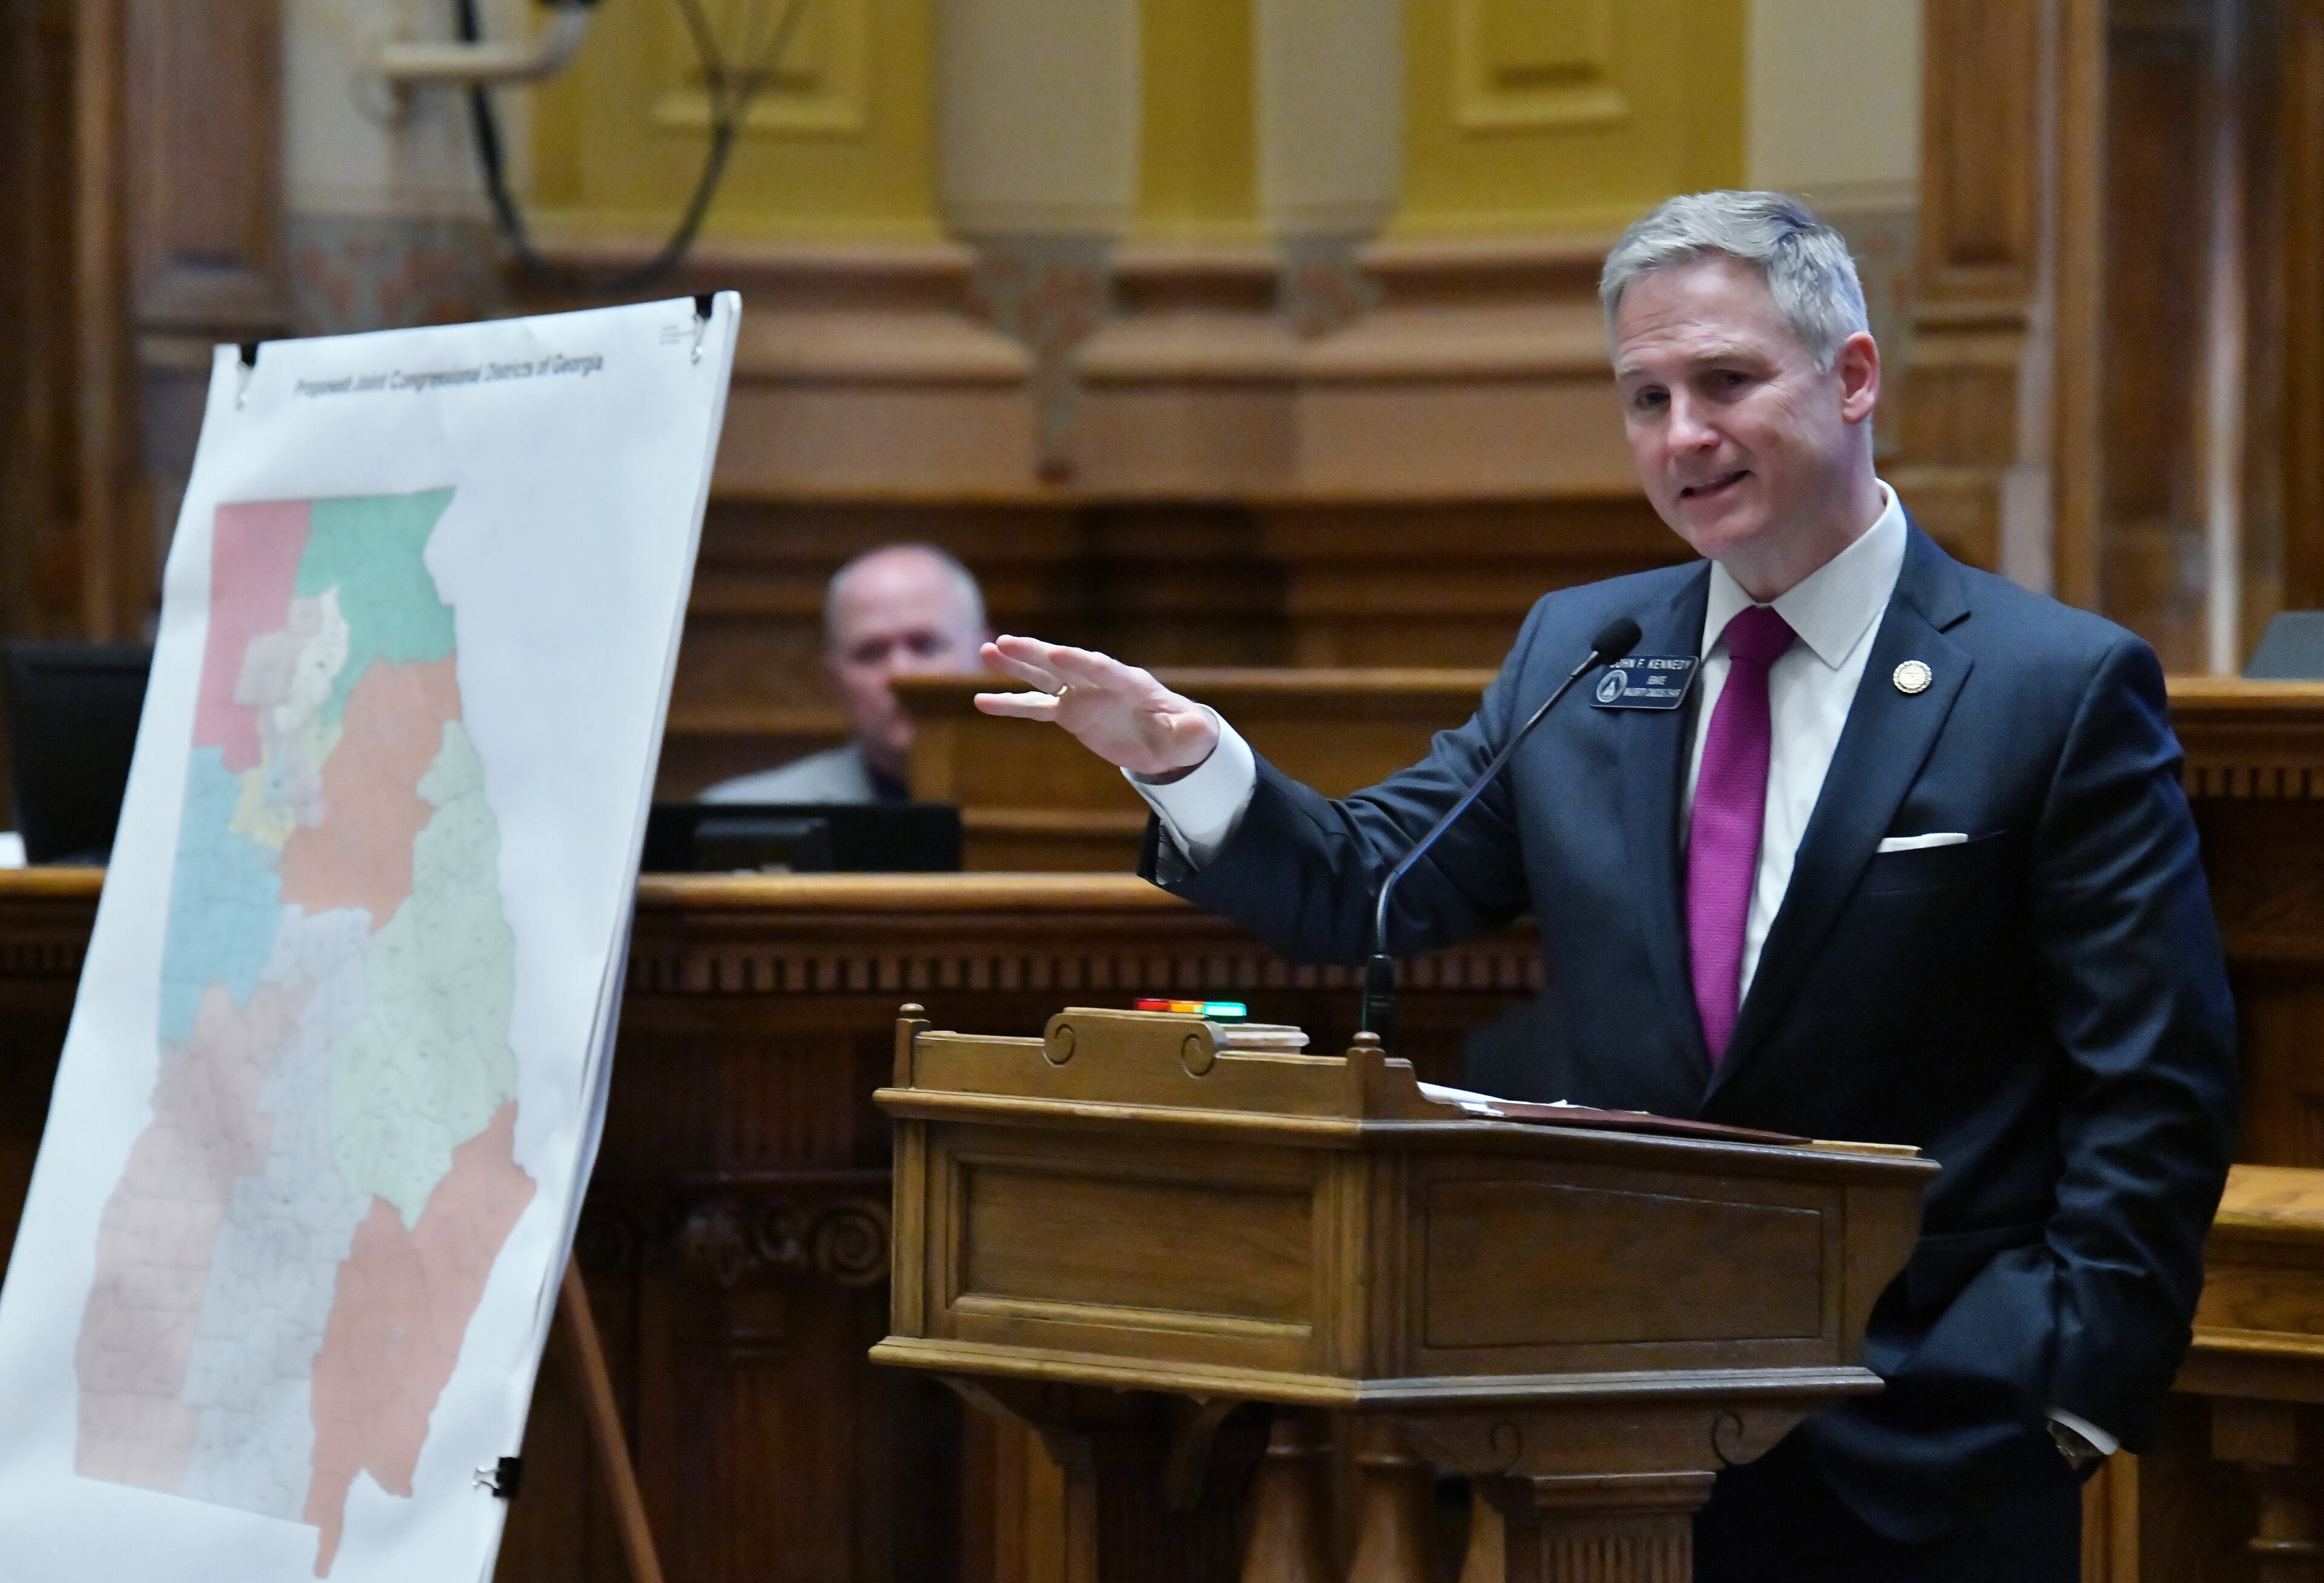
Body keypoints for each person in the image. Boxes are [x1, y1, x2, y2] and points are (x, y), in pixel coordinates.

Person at [973, 191, 2237, 1581]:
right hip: (1614, 1441)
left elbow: (2154, 1077)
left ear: (1854, 376)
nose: (1681, 435)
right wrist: (1186, 759)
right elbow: (1372, 885)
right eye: (1643, 396)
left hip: (1933, 1434)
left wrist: (2063, 1392)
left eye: (1724, 381)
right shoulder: (1583, 650)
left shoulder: (2048, 685)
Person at [703, 544, 988, 804]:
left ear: (986, 659)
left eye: (925, 646)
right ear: (835, 679)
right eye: (870, 653)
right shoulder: (746, 816)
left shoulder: (1033, 803)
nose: (901, 675)